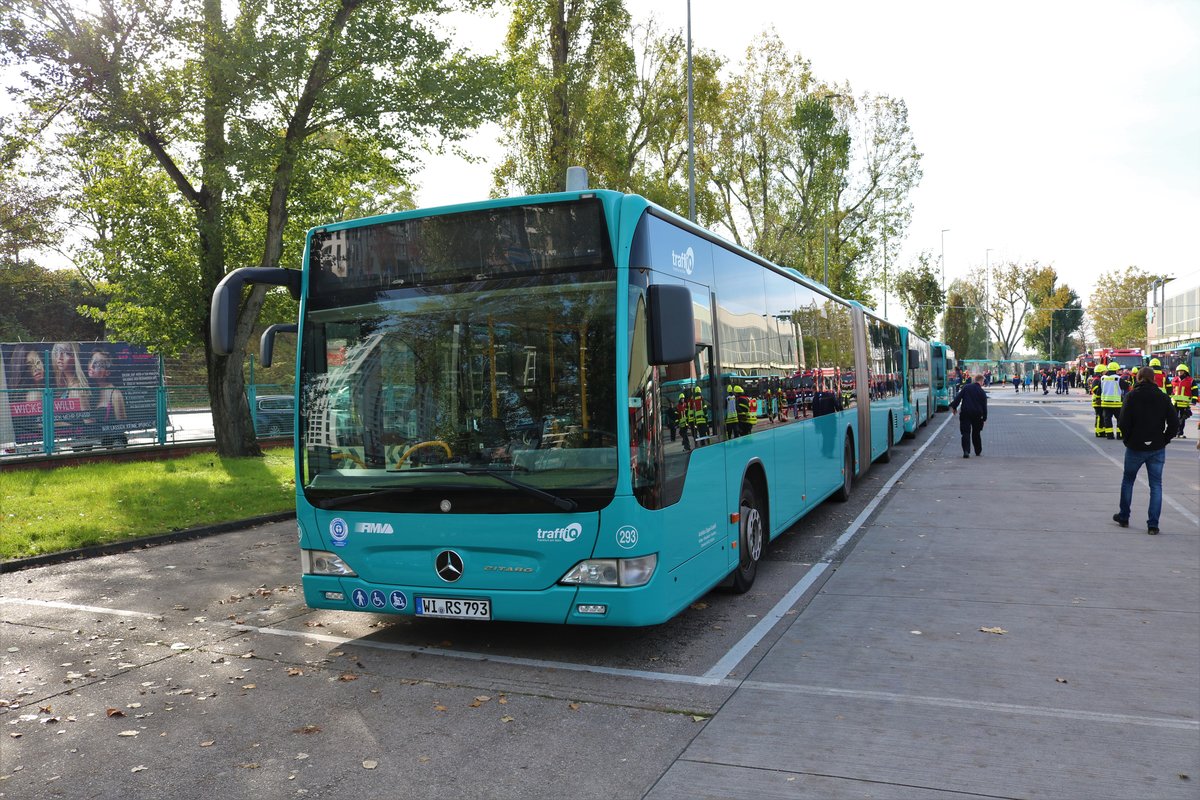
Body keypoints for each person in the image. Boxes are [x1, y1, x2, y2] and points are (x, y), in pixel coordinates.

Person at [1113, 366, 1178, 535]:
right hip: (1157, 447)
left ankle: (1124, 516)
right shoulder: (1163, 397)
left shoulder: (1132, 396)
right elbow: (1174, 424)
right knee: (1156, 485)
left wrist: (1128, 439)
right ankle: (1153, 524)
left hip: (1135, 446)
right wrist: (1164, 440)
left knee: (1128, 481)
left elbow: (1122, 422)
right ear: (1154, 378)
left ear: (1138, 378)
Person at [950, 373, 987, 458]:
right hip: (977, 415)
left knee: (965, 432)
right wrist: (984, 419)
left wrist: (954, 407)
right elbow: (984, 406)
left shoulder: (966, 387)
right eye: (983, 381)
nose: (983, 383)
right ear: (981, 381)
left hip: (966, 413)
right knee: (976, 433)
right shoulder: (981, 392)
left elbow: (958, 398)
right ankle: (978, 451)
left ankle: (966, 451)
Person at [1169, 364, 1196, 438]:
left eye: (1181, 371)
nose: (1179, 373)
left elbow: (1195, 390)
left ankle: (1180, 433)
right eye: (1178, 371)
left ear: (1185, 372)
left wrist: (1194, 399)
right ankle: (1173, 432)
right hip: (1175, 402)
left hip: (1184, 404)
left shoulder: (1191, 381)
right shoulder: (1174, 379)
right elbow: (1171, 390)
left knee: (1182, 419)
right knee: (1174, 418)